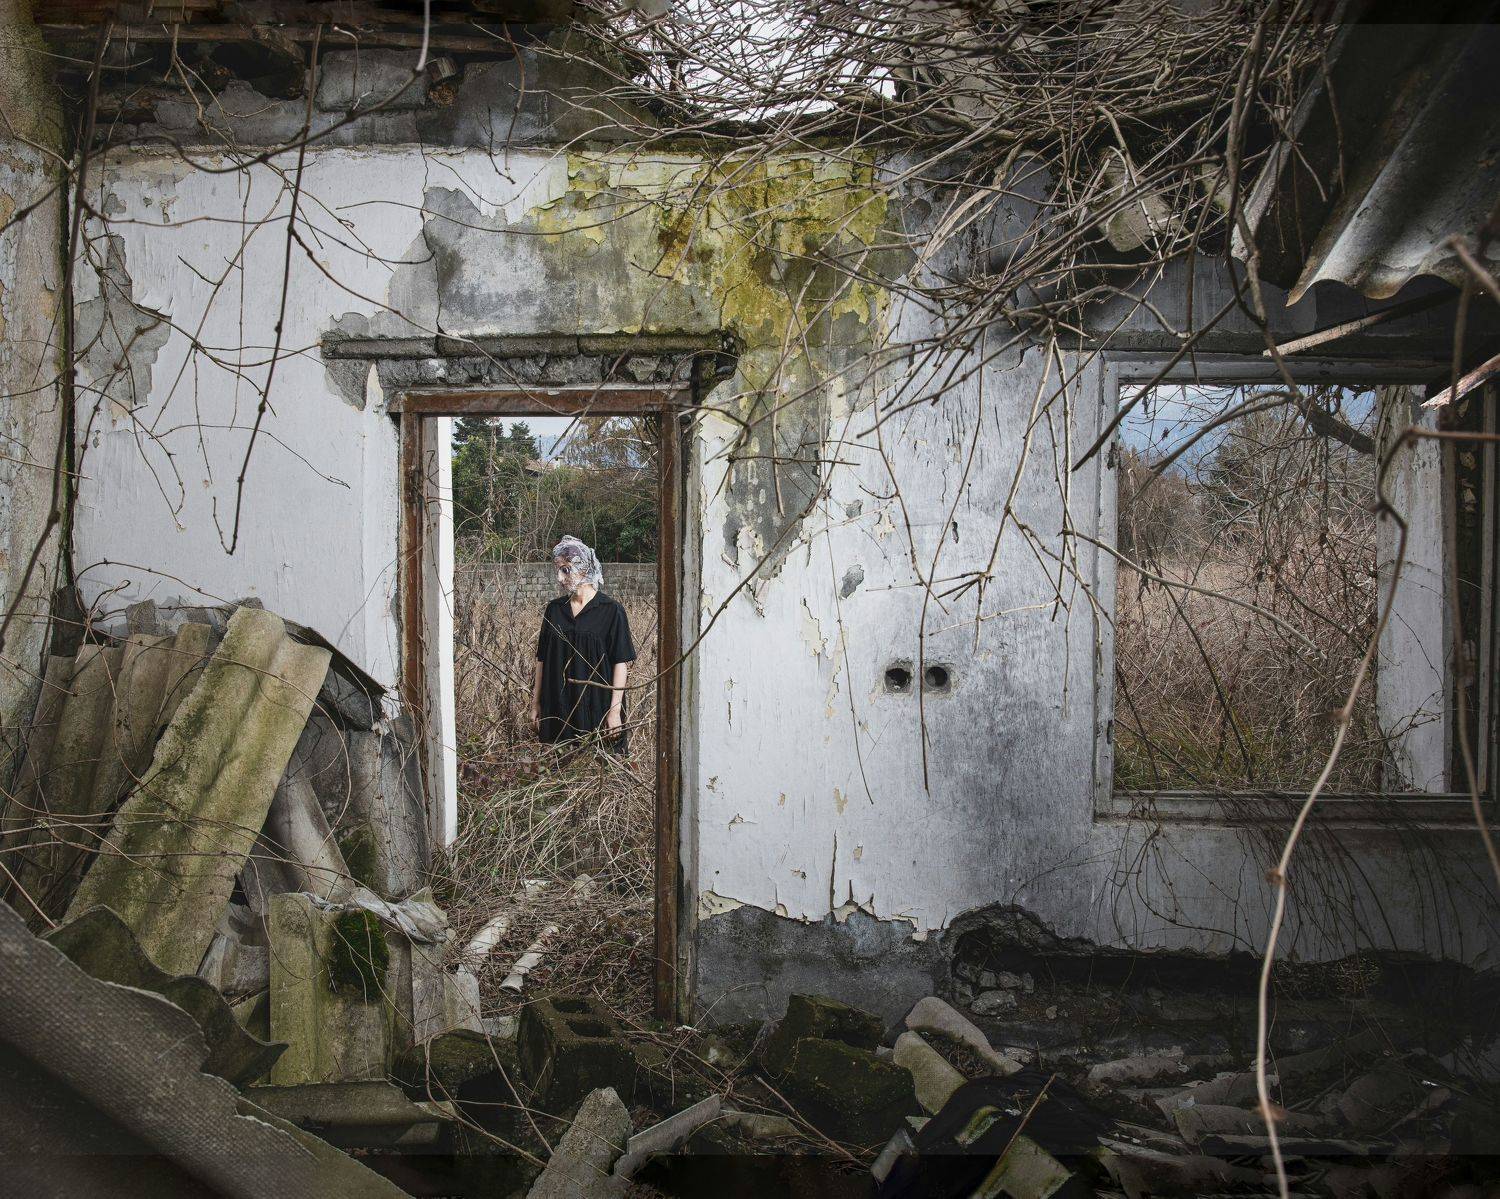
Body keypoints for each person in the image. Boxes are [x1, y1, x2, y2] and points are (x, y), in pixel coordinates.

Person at [531, 535, 637, 750]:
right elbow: (542, 659)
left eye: (565, 570)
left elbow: (620, 663)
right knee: (558, 764)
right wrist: (535, 703)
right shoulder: (554, 610)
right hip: (557, 709)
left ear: (583, 568)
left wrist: (615, 711)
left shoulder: (611, 611)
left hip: (596, 707)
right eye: (558, 570)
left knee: (598, 763)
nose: (560, 578)